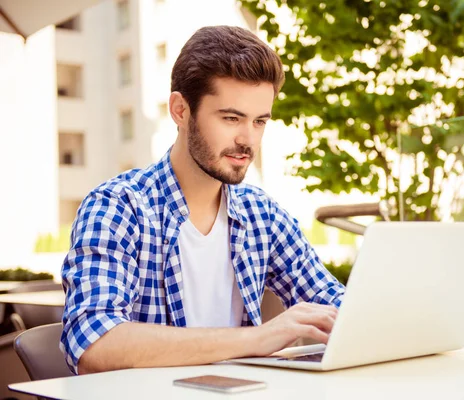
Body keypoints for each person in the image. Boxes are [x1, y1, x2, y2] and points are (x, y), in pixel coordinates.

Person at [60, 25, 345, 375]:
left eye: (259, 121)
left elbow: (339, 308)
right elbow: (94, 344)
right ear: (181, 110)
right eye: (231, 118)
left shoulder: (262, 215)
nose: (248, 139)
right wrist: (259, 338)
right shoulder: (118, 207)